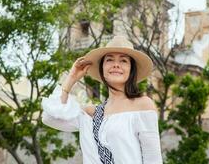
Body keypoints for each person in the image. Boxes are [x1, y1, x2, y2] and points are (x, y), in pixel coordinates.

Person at [42, 35, 162, 164]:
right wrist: (71, 78)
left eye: (123, 61)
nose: (116, 65)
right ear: (102, 68)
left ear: (131, 69)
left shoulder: (143, 105)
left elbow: (153, 159)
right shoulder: (91, 114)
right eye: (109, 60)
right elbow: (49, 118)